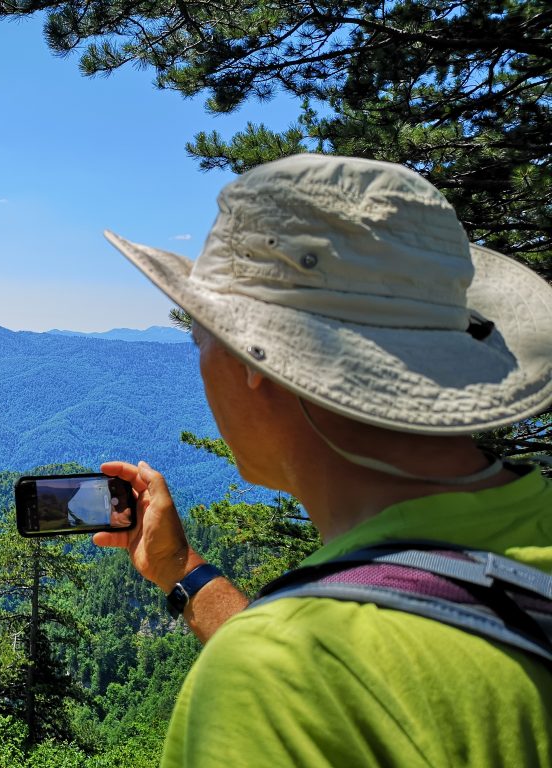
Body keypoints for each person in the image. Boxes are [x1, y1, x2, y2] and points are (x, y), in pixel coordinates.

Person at [94, 154, 552, 766]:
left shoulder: (278, 683)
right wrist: (184, 571)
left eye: (201, 334)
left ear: (255, 366)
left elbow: (320, 677)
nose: (197, 356)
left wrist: (264, 657)